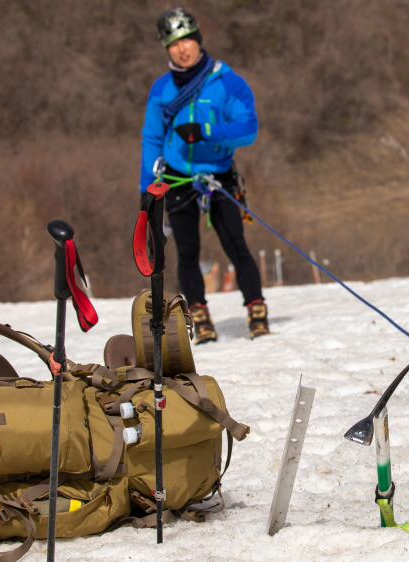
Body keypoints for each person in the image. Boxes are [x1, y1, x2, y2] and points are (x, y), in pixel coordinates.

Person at [140, 7, 268, 344]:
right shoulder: (161, 89)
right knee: (187, 252)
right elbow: (152, 138)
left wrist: (208, 131)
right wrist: (146, 189)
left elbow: (248, 129)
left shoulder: (227, 82)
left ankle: (256, 310)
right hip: (178, 179)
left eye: (187, 41)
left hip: (218, 178)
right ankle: (199, 313)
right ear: (166, 48)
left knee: (235, 244)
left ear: (198, 40)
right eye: (174, 44)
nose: (182, 49)